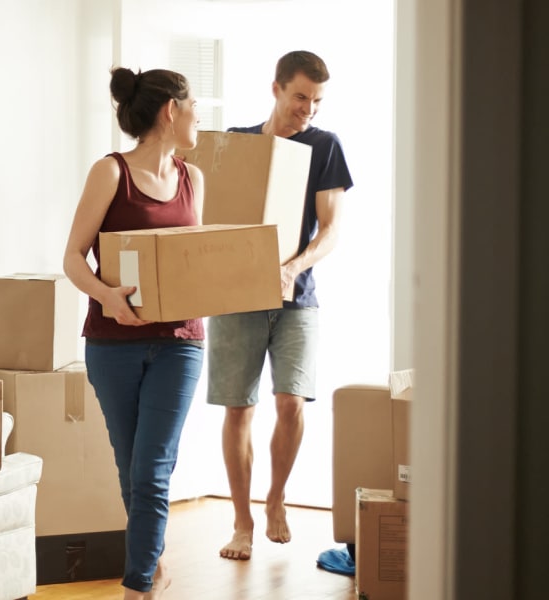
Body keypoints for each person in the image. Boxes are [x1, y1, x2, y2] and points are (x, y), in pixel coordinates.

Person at [62, 66, 203, 600]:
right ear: (171, 111)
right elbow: (74, 258)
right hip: (111, 344)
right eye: (194, 108)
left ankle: (137, 586)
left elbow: (190, 264)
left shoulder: (194, 179)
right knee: (132, 468)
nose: (199, 120)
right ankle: (155, 559)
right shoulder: (110, 173)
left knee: (152, 468)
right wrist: (108, 297)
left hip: (180, 345)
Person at [208, 50, 354, 561]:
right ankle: (242, 522)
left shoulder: (324, 146)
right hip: (236, 297)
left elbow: (332, 229)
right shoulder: (238, 142)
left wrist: (293, 267)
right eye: (300, 98)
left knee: (291, 401)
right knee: (238, 408)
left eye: (316, 101)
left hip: (297, 296)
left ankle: (276, 500)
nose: (308, 111)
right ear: (275, 89)